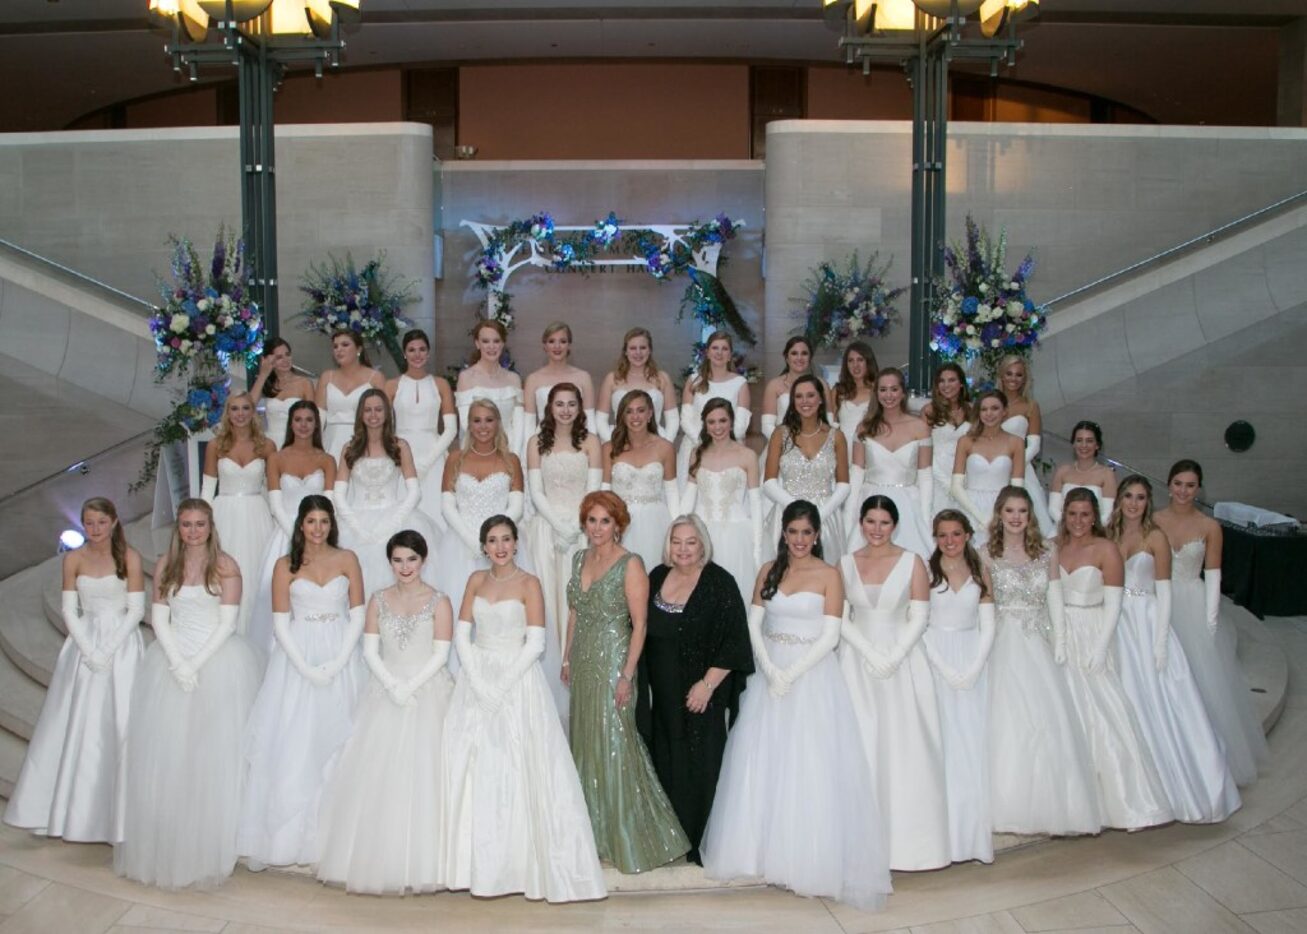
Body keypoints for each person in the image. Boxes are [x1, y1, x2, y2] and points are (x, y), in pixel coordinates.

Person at [702, 501, 890, 911]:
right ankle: (759, 853)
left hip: (813, 676)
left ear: (818, 535)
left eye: (807, 533)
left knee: (809, 765)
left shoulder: (829, 574)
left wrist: (794, 671)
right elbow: (752, 622)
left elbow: (831, 634)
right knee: (764, 760)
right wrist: (770, 667)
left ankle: (807, 859)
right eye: (793, 532)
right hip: (771, 674)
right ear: (783, 533)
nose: (800, 540)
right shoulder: (769, 570)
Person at [443, 517, 606, 901]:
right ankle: (471, 865)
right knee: (473, 765)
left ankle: (518, 867)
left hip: (517, 681)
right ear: (483, 546)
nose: (499, 547)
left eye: (505, 539)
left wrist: (500, 686)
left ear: (516, 543)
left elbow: (535, 643)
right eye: (492, 541)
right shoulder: (475, 582)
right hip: (476, 678)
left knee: (519, 765)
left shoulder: (530, 583)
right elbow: (461, 634)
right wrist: (479, 680)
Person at [115, 499, 260, 889]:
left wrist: (195, 665)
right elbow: (159, 615)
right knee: (169, 754)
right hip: (170, 662)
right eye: (186, 525)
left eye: (199, 524)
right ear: (178, 527)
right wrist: (177, 661)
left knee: (210, 757)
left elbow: (228, 622)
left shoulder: (227, 566)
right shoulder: (166, 564)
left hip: (217, 664)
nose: (193, 531)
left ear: (211, 527)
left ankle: (210, 843)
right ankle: (170, 839)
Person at [316, 530, 455, 895]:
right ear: (389, 562)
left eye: (411, 559)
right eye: (397, 560)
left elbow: (441, 654)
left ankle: (427, 863)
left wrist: (411, 686)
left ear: (423, 560)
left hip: (428, 691)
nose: (405, 567)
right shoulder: (378, 600)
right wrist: (393, 685)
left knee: (427, 778)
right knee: (376, 777)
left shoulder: (440, 602)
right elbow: (369, 651)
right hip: (385, 689)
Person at [5, 497, 145, 843]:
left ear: (113, 522)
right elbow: (70, 610)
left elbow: (136, 610)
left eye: (100, 522)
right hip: (83, 647)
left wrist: (109, 649)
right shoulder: (73, 559)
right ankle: (68, 811)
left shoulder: (129, 557)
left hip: (122, 646)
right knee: (72, 724)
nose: (94, 529)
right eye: (89, 523)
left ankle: (123, 818)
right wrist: (89, 650)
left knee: (121, 724)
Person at [563, 491, 689, 873]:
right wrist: (567, 655)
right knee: (586, 742)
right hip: (583, 662)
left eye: (605, 521)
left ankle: (633, 837)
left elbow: (641, 625)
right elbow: (574, 610)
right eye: (591, 520)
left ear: (618, 524)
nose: (598, 528)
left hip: (615, 660)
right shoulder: (579, 558)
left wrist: (627, 676)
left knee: (617, 744)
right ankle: (595, 837)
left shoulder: (631, 564)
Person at [239, 495, 367, 868]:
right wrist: (307, 668)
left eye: (324, 521)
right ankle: (289, 839)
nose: (317, 529)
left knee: (340, 737)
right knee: (295, 739)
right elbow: (280, 622)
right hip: (296, 654)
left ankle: (332, 837)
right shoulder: (284, 565)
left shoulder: (348, 560)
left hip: (341, 650)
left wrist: (338, 662)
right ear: (300, 525)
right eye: (311, 522)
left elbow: (357, 614)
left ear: (332, 524)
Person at [1107, 476, 1241, 823]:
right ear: (1119, 499)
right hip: (1111, 621)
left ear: (1148, 501)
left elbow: (1163, 592)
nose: (1134, 503)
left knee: (1159, 700)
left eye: (1140, 497)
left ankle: (1182, 787)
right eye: (1128, 496)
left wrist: (1162, 640)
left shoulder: (1156, 537)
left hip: (1146, 622)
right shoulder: (1107, 534)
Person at [1050, 488, 1172, 830]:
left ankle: (1115, 798)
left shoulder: (1106, 549)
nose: (1078, 521)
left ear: (1095, 516)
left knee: (1100, 711)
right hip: (1057, 631)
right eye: (1072, 514)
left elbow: (1115, 604)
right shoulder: (1052, 546)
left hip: (1092, 629)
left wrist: (1102, 646)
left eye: (1085, 514)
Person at [838, 496, 949, 872]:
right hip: (857, 661)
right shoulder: (846, 562)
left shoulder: (912, 561)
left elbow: (920, 616)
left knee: (902, 749)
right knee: (863, 745)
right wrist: (868, 652)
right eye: (870, 521)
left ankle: (907, 846)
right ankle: (861, 844)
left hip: (902, 662)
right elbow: (840, 617)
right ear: (861, 522)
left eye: (884, 523)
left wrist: (894, 655)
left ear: (895, 525)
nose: (876, 529)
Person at [984, 486, 1101, 836]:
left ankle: (1050, 802)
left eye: (1022, 511)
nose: (1016, 518)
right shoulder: (985, 554)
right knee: (1005, 719)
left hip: (1038, 640)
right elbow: (986, 605)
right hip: (1003, 642)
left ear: (1030, 516)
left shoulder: (1046, 551)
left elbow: (1055, 596)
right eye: (1009, 511)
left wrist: (1061, 639)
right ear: (999, 515)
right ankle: (1004, 801)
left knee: (1045, 721)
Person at [638, 515, 754, 865]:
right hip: (664, 697)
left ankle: (701, 842)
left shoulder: (720, 583)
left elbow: (734, 641)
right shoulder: (656, 577)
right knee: (665, 765)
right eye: (677, 542)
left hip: (702, 696)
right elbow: (638, 627)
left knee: (700, 767)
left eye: (691, 542)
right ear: (668, 545)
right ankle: (670, 840)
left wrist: (706, 685)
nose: (684, 549)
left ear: (702, 544)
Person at [1154, 459, 1267, 786]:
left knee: (1199, 683)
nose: (1183, 491)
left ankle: (1204, 758)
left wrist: (1210, 623)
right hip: (1157, 601)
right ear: (1169, 484)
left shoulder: (1209, 527)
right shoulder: (1154, 520)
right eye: (1178, 484)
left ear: (1198, 488)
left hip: (1191, 602)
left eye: (1190, 485)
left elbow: (1214, 577)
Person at [923, 510, 997, 864]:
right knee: (939, 746)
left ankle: (970, 836)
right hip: (934, 659)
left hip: (971, 659)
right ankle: (939, 835)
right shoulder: (925, 570)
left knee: (970, 746)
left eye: (955, 534)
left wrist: (972, 668)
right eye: (942, 535)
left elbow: (988, 624)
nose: (949, 541)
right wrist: (943, 667)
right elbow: (919, 624)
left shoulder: (981, 570)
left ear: (968, 535)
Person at [525, 381, 601, 722]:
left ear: (580, 407)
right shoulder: (535, 443)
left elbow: (594, 488)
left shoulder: (592, 442)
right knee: (550, 604)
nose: (566, 410)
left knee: (578, 604)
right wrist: (557, 523)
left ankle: (580, 680)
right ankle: (549, 698)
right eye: (559, 404)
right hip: (546, 530)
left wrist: (577, 526)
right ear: (550, 408)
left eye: (572, 404)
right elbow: (536, 491)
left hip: (584, 533)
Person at [249, 400, 336, 660]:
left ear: (316, 425)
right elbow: (275, 504)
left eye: (309, 420)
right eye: (298, 420)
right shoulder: (276, 458)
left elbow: (329, 503)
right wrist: (298, 537)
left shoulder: (327, 460)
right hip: (285, 535)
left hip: (321, 536)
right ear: (290, 423)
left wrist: (316, 536)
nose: (303, 425)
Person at [435, 398, 528, 619]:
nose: (483, 426)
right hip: (460, 543)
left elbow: (517, 506)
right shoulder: (455, 459)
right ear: (468, 424)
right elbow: (447, 506)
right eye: (477, 421)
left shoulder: (510, 460)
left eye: (489, 420)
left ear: (498, 423)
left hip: (501, 542)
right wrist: (472, 540)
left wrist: (493, 539)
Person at [201, 391, 275, 635]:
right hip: (224, 514)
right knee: (224, 571)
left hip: (257, 514)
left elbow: (274, 487)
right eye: (234, 409)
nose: (240, 414)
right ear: (227, 413)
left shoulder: (267, 445)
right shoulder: (216, 446)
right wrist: (203, 526)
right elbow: (208, 490)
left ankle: (256, 634)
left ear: (253, 412)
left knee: (256, 572)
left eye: (245, 408)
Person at [680, 398, 763, 600]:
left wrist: (757, 545)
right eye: (712, 422)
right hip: (701, 533)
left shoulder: (747, 455)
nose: (718, 427)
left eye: (722, 421)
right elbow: (689, 496)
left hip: (735, 534)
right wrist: (678, 528)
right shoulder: (696, 454)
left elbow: (755, 503)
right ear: (705, 425)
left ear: (732, 422)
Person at [764, 375, 850, 565]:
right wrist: (797, 511)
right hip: (787, 512)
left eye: (810, 395)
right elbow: (769, 482)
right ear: (793, 401)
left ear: (820, 399)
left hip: (825, 515)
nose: (805, 401)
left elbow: (844, 485)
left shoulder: (836, 436)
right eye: (799, 396)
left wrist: (819, 514)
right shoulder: (780, 434)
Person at [846, 367, 932, 557]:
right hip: (871, 500)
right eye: (883, 390)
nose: (889, 395)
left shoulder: (920, 427)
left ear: (903, 392)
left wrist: (925, 518)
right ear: (876, 393)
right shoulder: (864, 428)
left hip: (909, 503)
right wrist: (850, 515)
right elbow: (857, 474)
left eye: (894, 389)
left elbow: (925, 477)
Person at [386, 329, 457, 530]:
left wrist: (427, 462)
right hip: (400, 453)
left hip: (434, 454)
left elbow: (451, 429)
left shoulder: (441, 384)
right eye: (411, 350)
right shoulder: (391, 385)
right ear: (404, 353)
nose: (417, 354)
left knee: (434, 506)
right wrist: (398, 454)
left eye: (422, 349)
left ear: (428, 352)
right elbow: (384, 426)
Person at [603, 390, 678, 573]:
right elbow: (603, 493)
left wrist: (676, 531)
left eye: (640, 410)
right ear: (622, 415)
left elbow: (672, 493)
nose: (635, 416)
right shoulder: (609, 448)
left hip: (655, 522)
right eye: (629, 411)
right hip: (621, 523)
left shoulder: (665, 447)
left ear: (650, 413)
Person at [950, 389, 1026, 549]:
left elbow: (1017, 488)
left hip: (1003, 506)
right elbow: (956, 486)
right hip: (969, 505)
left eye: (995, 408)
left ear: (1004, 411)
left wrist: (999, 516)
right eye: (984, 409)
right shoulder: (965, 441)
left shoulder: (1016, 442)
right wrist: (981, 518)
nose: (989, 414)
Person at [677, 330, 750, 490]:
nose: (719, 352)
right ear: (707, 353)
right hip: (695, 446)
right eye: (715, 348)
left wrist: (722, 443)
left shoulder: (740, 383)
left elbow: (740, 424)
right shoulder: (694, 380)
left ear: (730, 355)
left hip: (728, 449)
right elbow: (686, 419)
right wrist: (704, 442)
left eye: (724, 349)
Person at [996, 355, 1055, 537]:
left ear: (1024, 379)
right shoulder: (990, 403)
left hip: (1021, 469)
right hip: (992, 468)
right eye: (1009, 374)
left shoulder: (1030, 406)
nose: (1013, 379)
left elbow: (1034, 445)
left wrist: (1015, 465)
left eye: (1018, 375)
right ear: (1002, 376)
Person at [455, 319, 525, 457]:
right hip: (477, 450)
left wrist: (513, 455)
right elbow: (466, 424)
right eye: (486, 341)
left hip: (511, 449)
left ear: (503, 343)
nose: (491, 346)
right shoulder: (466, 377)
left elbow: (519, 424)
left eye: (496, 341)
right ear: (477, 344)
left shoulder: (514, 379)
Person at [595, 327, 677, 443]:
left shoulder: (662, 378)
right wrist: (613, 443)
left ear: (650, 350)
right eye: (633, 348)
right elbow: (600, 419)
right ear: (625, 351)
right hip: (619, 441)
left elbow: (672, 418)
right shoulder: (612, 379)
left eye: (643, 348)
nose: (638, 353)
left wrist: (665, 444)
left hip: (655, 441)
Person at [315, 330, 385, 461]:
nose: (339, 350)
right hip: (331, 440)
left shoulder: (375, 377)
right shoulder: (326, 377)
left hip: (363, 440)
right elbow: (318, 416)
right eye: (335, 346)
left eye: (345, 345)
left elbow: (384, 415)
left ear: (359, 349)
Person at [523, 321, 596, 442]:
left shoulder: (584, 377)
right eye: (552, 341)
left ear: (569, 345)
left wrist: (592, 447)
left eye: (562, 341)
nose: (557, 346)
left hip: (577, 441)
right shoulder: (533, 379)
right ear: (545, 346)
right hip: (543, 441)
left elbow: (590, 420)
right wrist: (527, 452)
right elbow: (528, 423)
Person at [758, 336, 824, 453]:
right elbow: (767, 426)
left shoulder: (821, 384)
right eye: (794, 353)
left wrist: (812, 443)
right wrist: (789, 444)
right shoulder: (774, 385)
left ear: (810, 358)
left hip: (815, 447)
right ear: (786, 358)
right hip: (782, 448)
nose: (799, 358)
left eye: (804, 353)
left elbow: (827, 420)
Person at [921, 363, 972, 515]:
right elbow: (924, 449)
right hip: (936, 473)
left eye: (951, 380)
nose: (946, 385)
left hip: (965, 473)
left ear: (961, 383)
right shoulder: (929, 411)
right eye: (942, 381)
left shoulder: (972, 409)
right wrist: (946, 483)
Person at [249, 337, 316, 450]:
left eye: (287, 354)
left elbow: (313, 418)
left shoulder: (304, 383)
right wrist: (263, 375)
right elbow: (249, 406)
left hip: (297, 442)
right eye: (279, 357)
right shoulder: (266, 384)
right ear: (268, 360)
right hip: (271, 443)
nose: (286, 360)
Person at [1049, 420, 1117, 525]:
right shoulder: (1062, 471)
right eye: (1079, 440)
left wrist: (1088, 530)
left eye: (1089, 441)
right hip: (1062, 530)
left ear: (1097, 445)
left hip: (1095, 532)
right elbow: (1053, 509)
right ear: (1073, 444)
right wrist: (1069, 527)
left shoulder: (1106, 474)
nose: (1084, 445)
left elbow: (1108, 514)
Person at [828, 340, 878, 450]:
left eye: (860, 360)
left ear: (868, 362)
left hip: (871, 448)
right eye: (851, 361)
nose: (856, 365)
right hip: (843, 448)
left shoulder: (878, 390)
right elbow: (831, 424)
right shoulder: (838, 391)